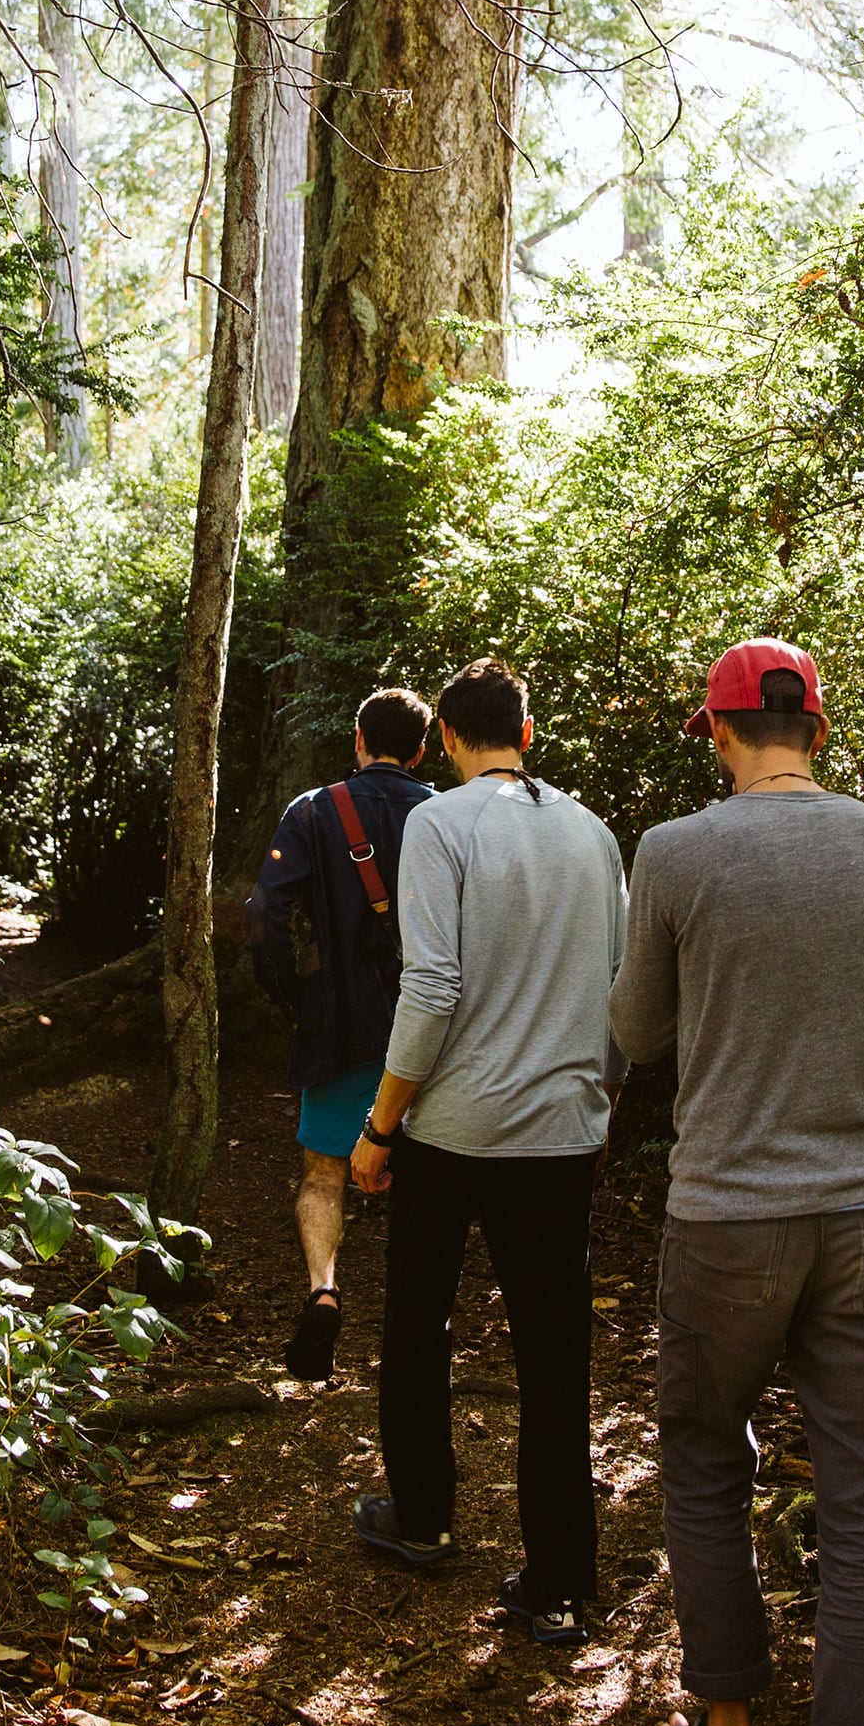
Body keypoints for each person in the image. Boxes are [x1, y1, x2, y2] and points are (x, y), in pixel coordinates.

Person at [607, 640, 864, 1726]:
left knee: (706, 1460)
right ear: (816, 728)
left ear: (716, 732)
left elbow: (636, 1035)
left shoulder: (675, 852)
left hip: (724, 1223)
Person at [346, 658, 629, 1651]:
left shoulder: (438, 823)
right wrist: (598, 1095)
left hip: (452, 1131)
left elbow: (430, 988)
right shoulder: (591, 834)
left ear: (451, 741)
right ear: (527, 728)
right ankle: (557, 1579)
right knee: (553, 1353)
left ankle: (420, 1518)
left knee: (417, 1322)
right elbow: (619, 991)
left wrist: (380, 1124)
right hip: (557, 1131)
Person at [246, 687, 436, 1379]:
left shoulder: (315, 809)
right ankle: (412, 1323)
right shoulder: (444, 813)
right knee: (423, 1176)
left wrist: (293, 996)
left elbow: (266, 908)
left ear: (358, 740)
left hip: (339, 1020)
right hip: (430, 1025)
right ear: (422, 747)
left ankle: (323, 1289)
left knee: (323, 1173)